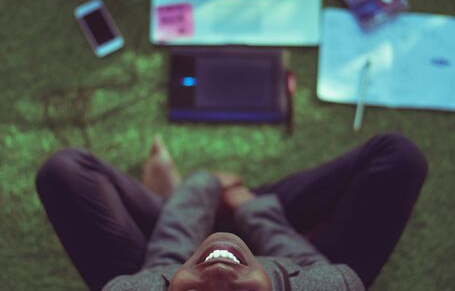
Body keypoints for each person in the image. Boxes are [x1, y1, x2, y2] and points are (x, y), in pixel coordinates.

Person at [36, 133, 427, 291]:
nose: (219, 276)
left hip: (167, 252)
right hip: (286, 241)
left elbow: (168, 258)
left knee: (63, 172)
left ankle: (171, 199)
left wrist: (201, 185)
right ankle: (217, 204)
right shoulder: (331, 285)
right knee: (399, 157)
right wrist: (247, 204)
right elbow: (304, 263)